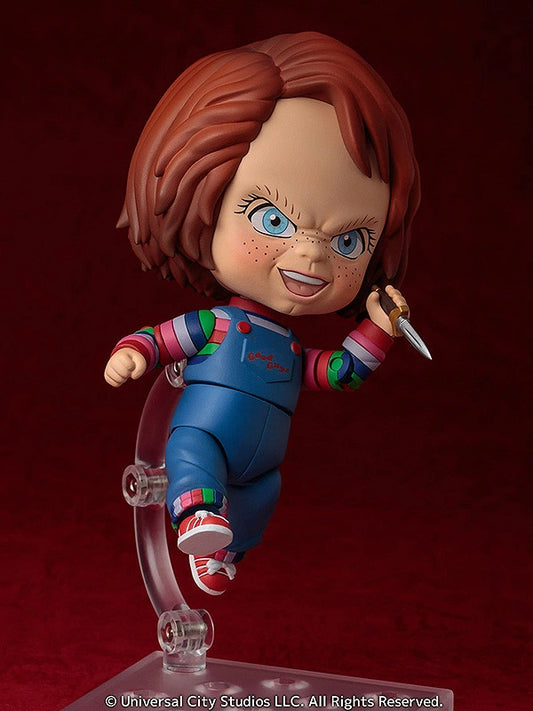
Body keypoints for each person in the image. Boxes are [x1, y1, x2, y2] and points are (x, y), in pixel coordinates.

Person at [104, 32, 421, 595]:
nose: (313, 255)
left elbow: (341, 372)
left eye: (349, 241)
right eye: (272, 219)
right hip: (206, 433)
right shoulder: (218, 327)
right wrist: (133, 351)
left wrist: (378, 327)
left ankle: (222, 552)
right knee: (190, 455)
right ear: (200, 203)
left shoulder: (293, 350)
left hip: (264, 465)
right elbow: (164, 338)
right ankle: (196, 515)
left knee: (261, 498)